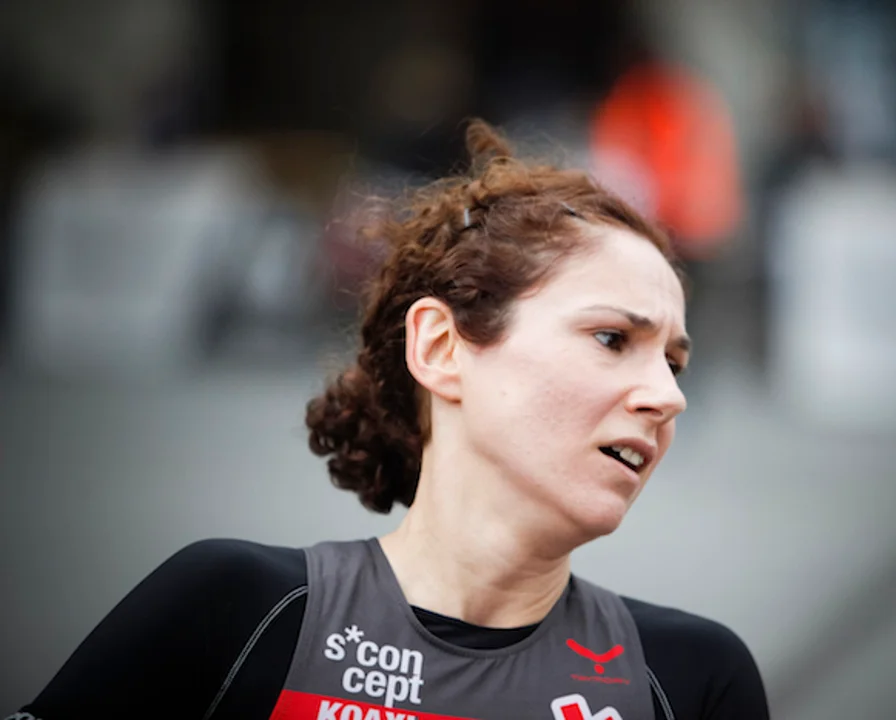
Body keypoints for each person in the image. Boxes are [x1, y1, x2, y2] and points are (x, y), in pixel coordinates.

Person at [11, 120, 769, 720]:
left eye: (674, 363)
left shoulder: (688, 679)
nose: (667, 396)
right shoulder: (236, 610)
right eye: (612, 339)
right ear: (440, 348)